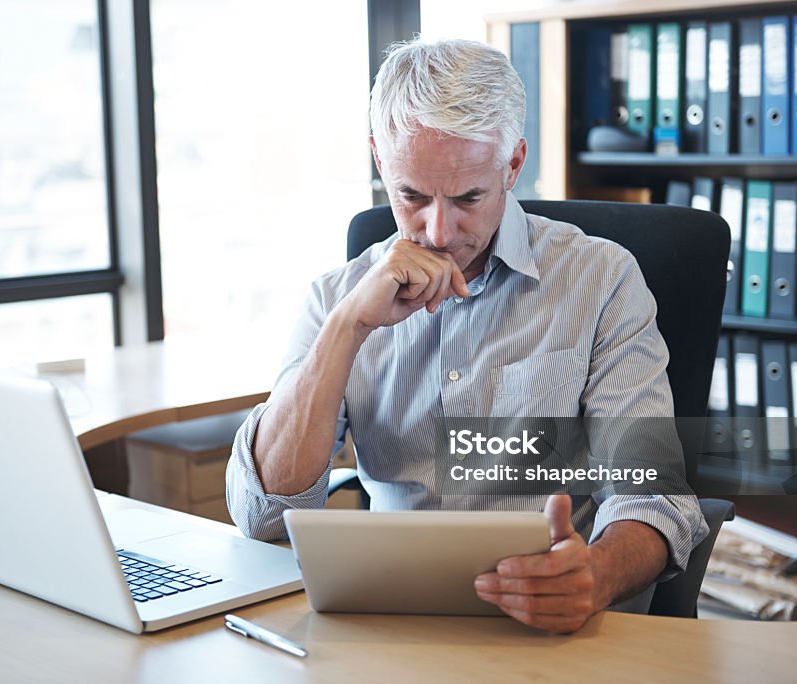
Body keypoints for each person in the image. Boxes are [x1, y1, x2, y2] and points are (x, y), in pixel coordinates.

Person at [226, 37, 708, 634]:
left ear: (512, 163)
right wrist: (348, 329)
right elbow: (263, 513)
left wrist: (599, 573)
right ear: (380, 159)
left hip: (554, 633)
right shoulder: (337, 299)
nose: (439, 230)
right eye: (411, 196)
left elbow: (655, 496)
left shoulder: (603, 280)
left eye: (468, 198)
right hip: (394, 629)